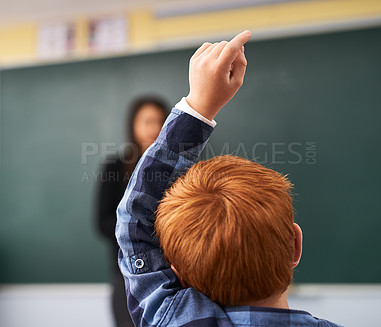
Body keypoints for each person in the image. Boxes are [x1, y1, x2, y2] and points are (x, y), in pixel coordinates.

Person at [116, 30, 342, 326]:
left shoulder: (176, 320)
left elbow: (135, 222)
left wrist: (197, 106)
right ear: (294, 245)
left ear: (178, 272)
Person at [96, 95, 168, 327]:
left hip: (171, 272)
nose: (154, 128)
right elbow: (102, 222)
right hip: (127, 274)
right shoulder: (115, 167)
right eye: (146, 121)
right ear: (133, 125)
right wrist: (141, 233)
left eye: (159, 121)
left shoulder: (175, 168)